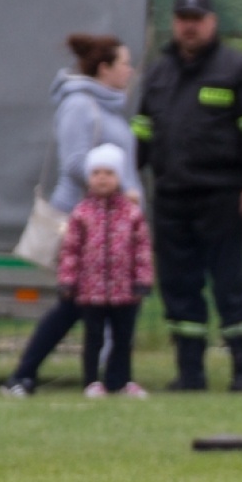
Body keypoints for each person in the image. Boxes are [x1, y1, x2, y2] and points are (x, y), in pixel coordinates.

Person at [133, 0, 242, 392]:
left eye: (196, 18)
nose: (189, 25)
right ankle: (190, 373)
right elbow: (141, 135)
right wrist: (124, 178)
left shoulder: (239, 67)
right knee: (178, 285)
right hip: (172, 197)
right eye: (182, 18)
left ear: (212, 22)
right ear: (174, 23)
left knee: (229, 281)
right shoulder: (159, 73)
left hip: (225, 196)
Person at [3, 34, 142, 397]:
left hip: (114, 223)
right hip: (82, 221)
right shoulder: (80, 105)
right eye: (125, 63)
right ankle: (24, 376)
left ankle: (109, 380)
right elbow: (77, 161)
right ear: (104, 68)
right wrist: (120, 187)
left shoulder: (108, 107)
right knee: (74, 305)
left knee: (98, 307)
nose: (131, 70)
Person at [56, 144, 153, 398]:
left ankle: (121, 380)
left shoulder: (132, 214)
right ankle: (91, 381)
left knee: (123, 338)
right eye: (96, 172)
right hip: (91, 290)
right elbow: (71, 250)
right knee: (94, 338)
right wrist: (68, 280)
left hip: (125, 291)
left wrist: (143, 280)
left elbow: (142, 249)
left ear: (119, 177)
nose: (102, 178)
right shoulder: (81, 213)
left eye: (108, 173)